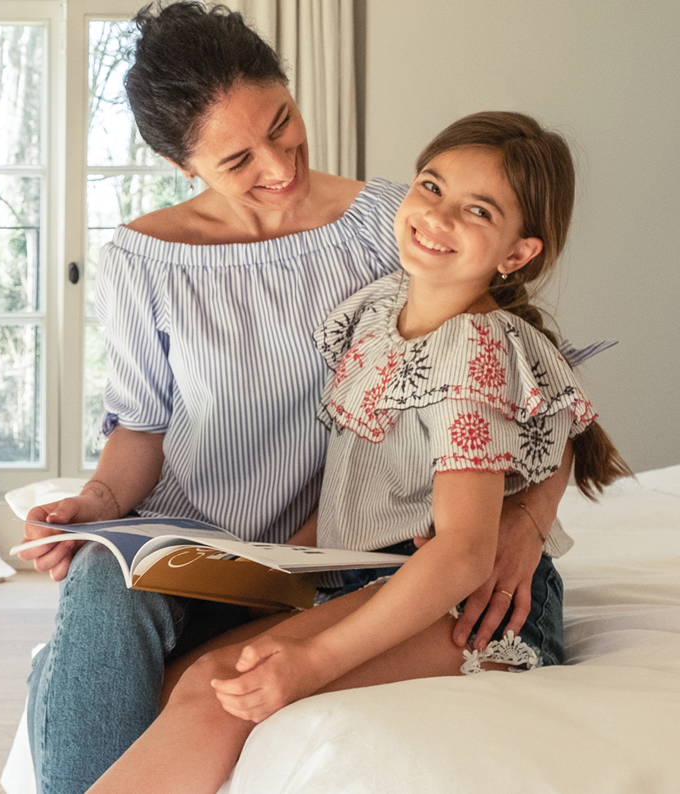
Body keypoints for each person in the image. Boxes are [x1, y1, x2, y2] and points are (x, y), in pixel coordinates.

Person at [17, 5, 572, 793]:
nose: (279, 166)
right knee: (104, 590)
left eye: (282, 124)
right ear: (185, 166)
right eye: (238, 158)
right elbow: (140, 427)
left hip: (347, 560)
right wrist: (98, 501)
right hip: (211, 554)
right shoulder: (144, 260)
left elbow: (540, 386)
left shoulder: (399, 222)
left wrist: (522, 521)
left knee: (208, 694)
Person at [83, 110, 633, 794]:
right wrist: (281, 586)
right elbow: (361, 487)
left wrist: (310, 664)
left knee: (217, 690)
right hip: (367, 575)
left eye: (477, 210)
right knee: (183, 683)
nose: (437, 216)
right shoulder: (378, 312)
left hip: (463, 606)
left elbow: (462, 553)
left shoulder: (476, 351)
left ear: (517, 253)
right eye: (431, 186)